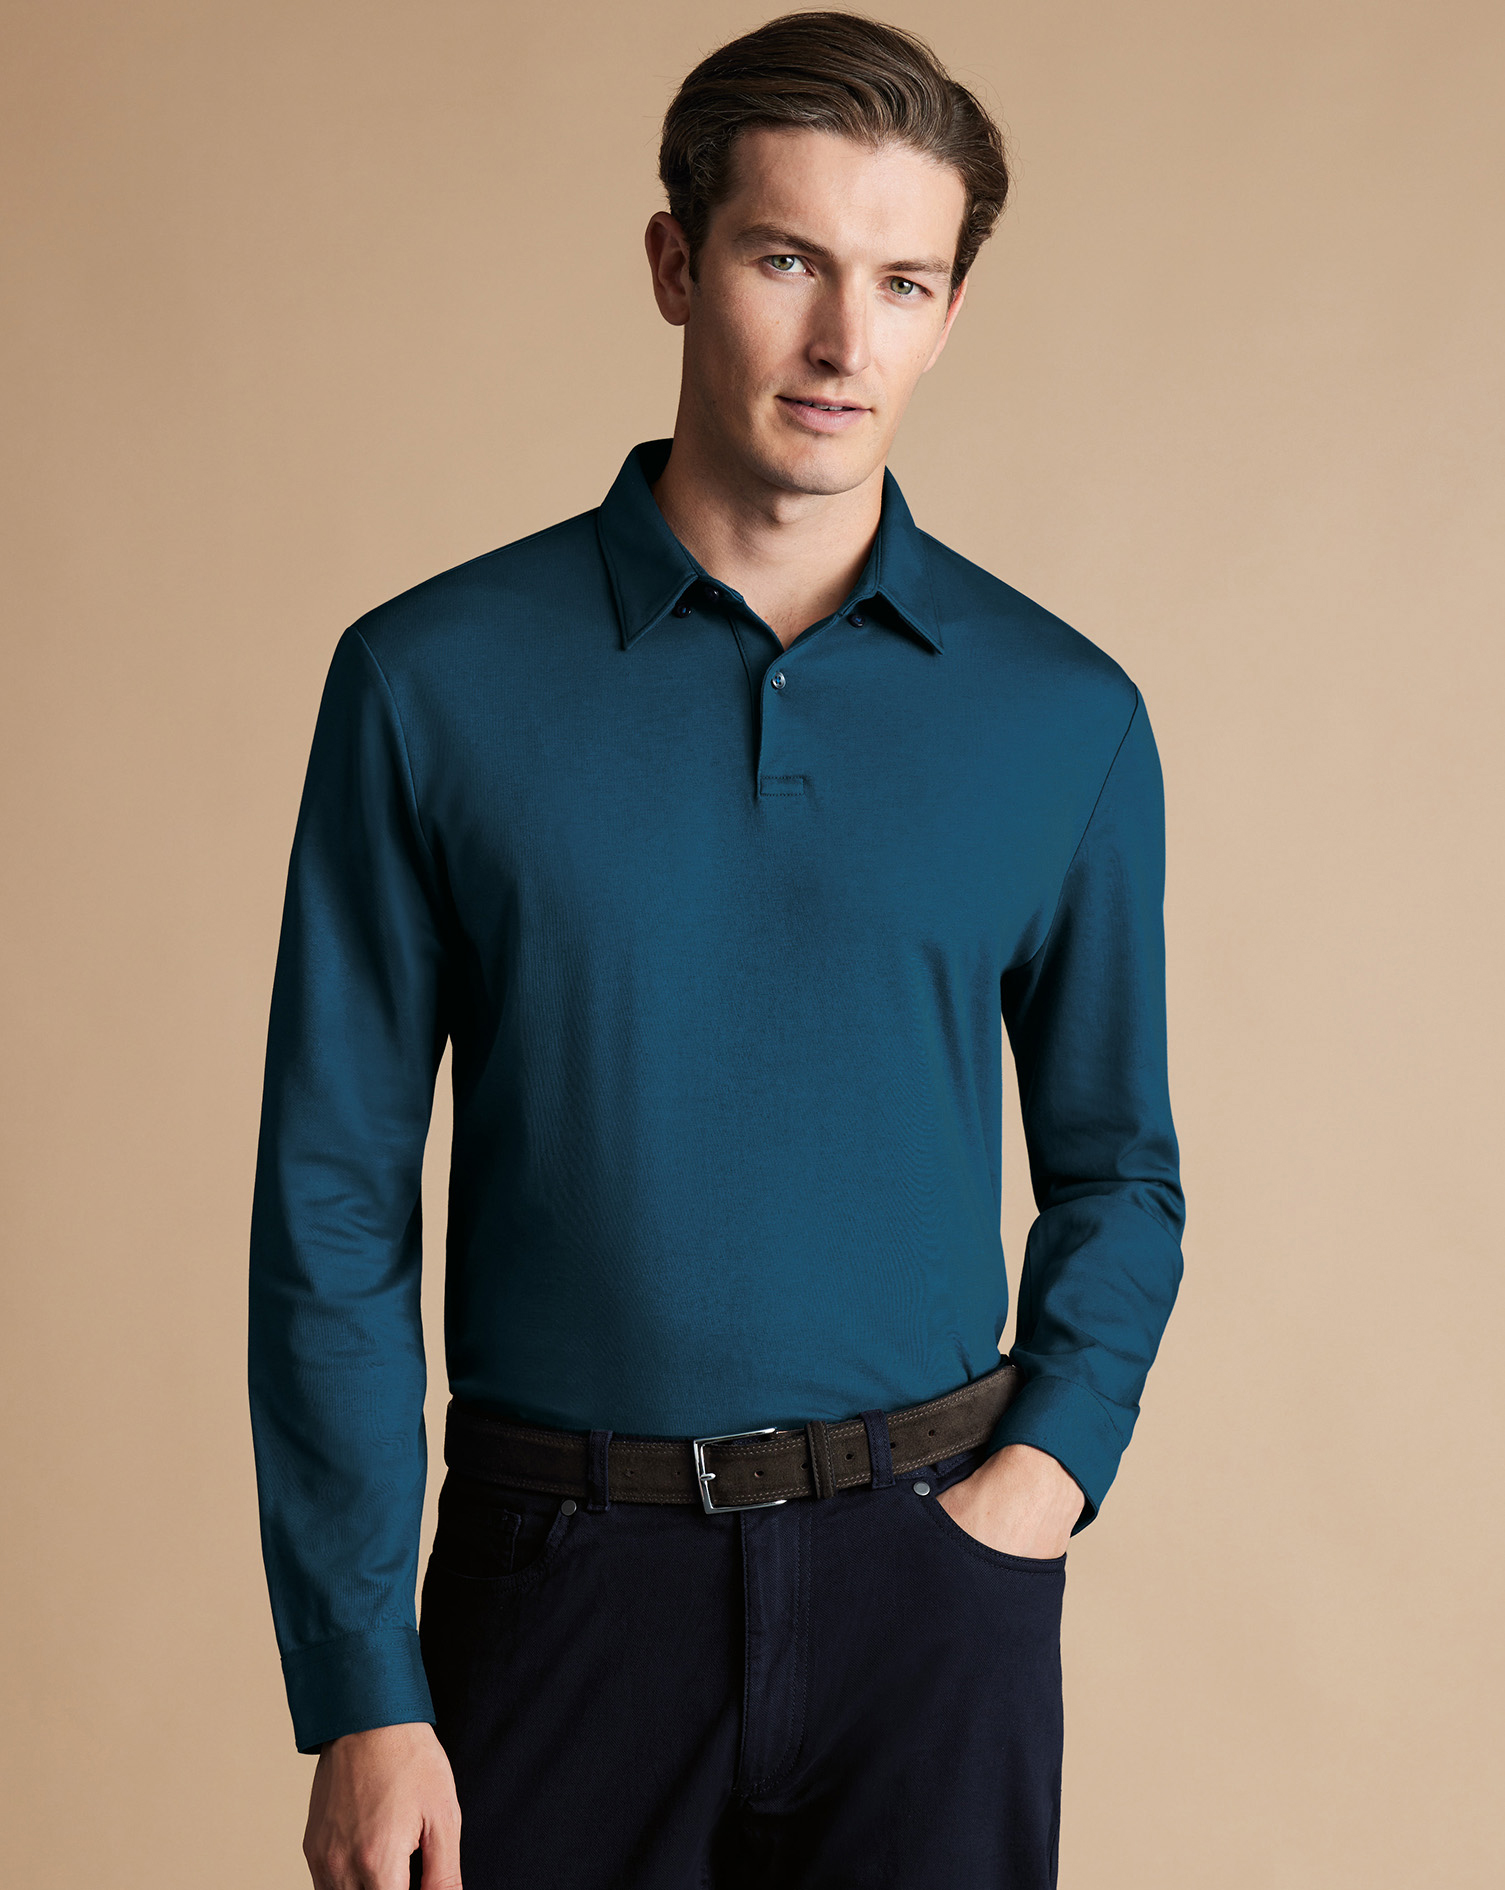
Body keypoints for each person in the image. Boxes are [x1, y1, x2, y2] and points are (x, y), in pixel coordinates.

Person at [248, 12, 1185, 1888]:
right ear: (676, 264)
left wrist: (1040, 1479)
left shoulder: (1062, 715)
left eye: (902, 283)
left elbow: (1118, 1171)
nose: (845, 343)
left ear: (947, 312)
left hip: (933, 1589)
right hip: (556, 1585)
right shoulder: (428, 682)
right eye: (787, 262)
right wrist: (359, 1679)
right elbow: (332, 1201)